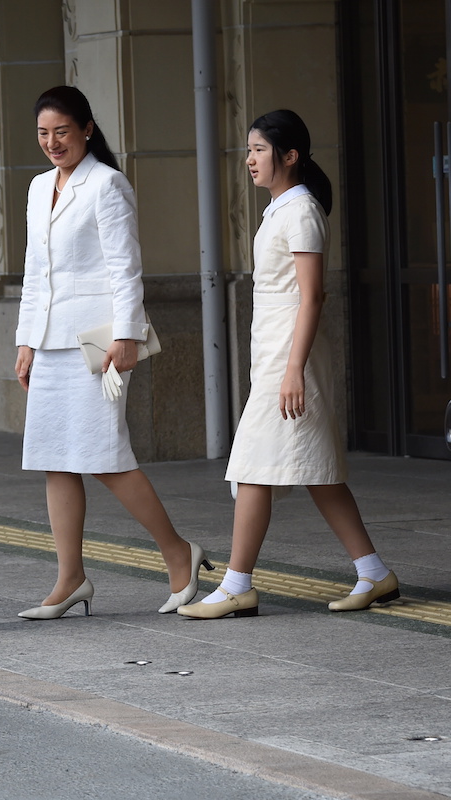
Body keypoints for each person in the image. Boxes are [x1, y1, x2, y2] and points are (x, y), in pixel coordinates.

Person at [180, 109, 398, 620]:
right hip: (278, 352)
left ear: (290, 155)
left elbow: (313, 296)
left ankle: (237, 585)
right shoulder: (282, 208)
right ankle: (374, 572)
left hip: (289, 357)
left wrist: (294, 369)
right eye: (249, 149)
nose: (249, 159)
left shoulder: (300, 211)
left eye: (258, 149)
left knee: (254, 464)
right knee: (318, 470)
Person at [14, 86, 212, 620]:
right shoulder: (37, 188)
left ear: (87, 129)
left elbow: (125, 266)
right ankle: (70, 577)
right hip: (50, 341)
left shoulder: (106, 184)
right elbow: (36, 271)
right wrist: (26, 339)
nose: (52, 142)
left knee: (105, 455)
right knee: (56, 461)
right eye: (43, 133)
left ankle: (178, 553)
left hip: (96, 341)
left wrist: (126, 334)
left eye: (61, 131)